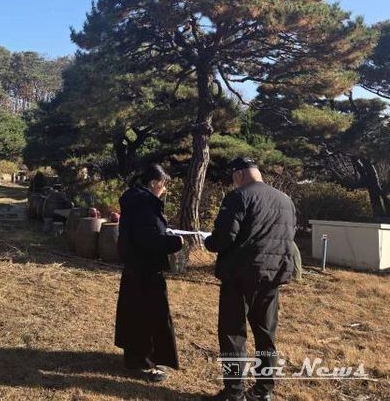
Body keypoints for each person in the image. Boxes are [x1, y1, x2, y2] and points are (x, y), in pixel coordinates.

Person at [204, 157, 296, 401]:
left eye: (233, 178)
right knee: (266, 333)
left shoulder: (239, 197)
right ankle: (263, 390)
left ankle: (233, 392)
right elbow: (288, 235)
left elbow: (224, 237)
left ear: (239, 174)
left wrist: (208, 241)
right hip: (273, 275)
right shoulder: (285, 200)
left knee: (233, 333)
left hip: (240, 276)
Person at [115, 164, 185, 382]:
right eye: (164, 185)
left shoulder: (133, 198)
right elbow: (147, 239)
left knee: (134, 312)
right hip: (146, 268)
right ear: (154, 183)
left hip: (134, 266)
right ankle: (143, 362)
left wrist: (164, 233)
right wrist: (175, 242)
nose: (164, 189)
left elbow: (144, 232)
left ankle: (134, 356)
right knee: (148, 316)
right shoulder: (146, 202)